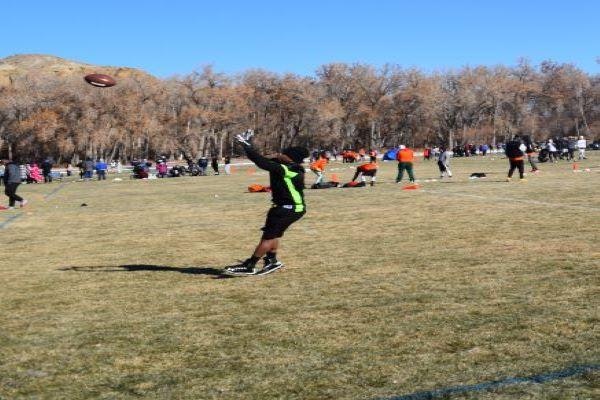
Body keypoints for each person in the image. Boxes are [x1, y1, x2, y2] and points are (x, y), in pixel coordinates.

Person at [225, 130, 308, 276]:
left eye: (283, 153)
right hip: (288, 209)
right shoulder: (287, 166)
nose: (279, 154)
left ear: (290, 158)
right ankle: (272, 261)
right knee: (273, 234)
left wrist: (245, 145)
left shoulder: (287, 169)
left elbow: (260, 161)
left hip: (287, 209)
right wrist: (250, 144)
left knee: (268, 238)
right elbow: (262, 158)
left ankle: (250, 265)